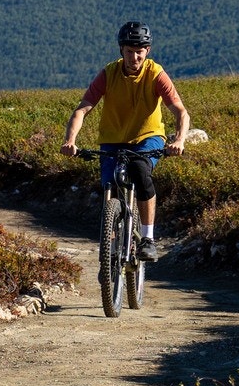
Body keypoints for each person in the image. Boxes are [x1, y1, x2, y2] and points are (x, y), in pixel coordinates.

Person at [61, 21, 190, 263]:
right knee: (110, 185)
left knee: (141, 173)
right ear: (121, 50)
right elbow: (82, 110)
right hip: (113, 140)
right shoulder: (108, 74)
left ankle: (148, 238)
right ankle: (111, 248)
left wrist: (179, 140)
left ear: (147, 51)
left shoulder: (156, 74)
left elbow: (181, 112)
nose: (134, 57)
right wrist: (70, 141)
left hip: (148, 138)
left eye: (139, 51)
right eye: (129, 51)